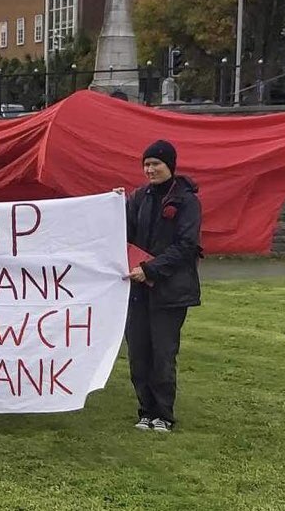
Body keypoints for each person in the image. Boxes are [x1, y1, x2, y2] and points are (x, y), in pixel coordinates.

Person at [123, 140, 202, 433]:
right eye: (146, 164)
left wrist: (150, 269)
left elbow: (186, 245)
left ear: (170, 165)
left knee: (163, 353)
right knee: (138, 352)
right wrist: (113, 206)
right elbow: (125, 232)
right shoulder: (138, 197)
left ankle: (164, 414)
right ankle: (145, 409)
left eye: (156, 164)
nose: (150, 169)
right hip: (138, 291)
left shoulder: (186, 200)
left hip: (170, 291)